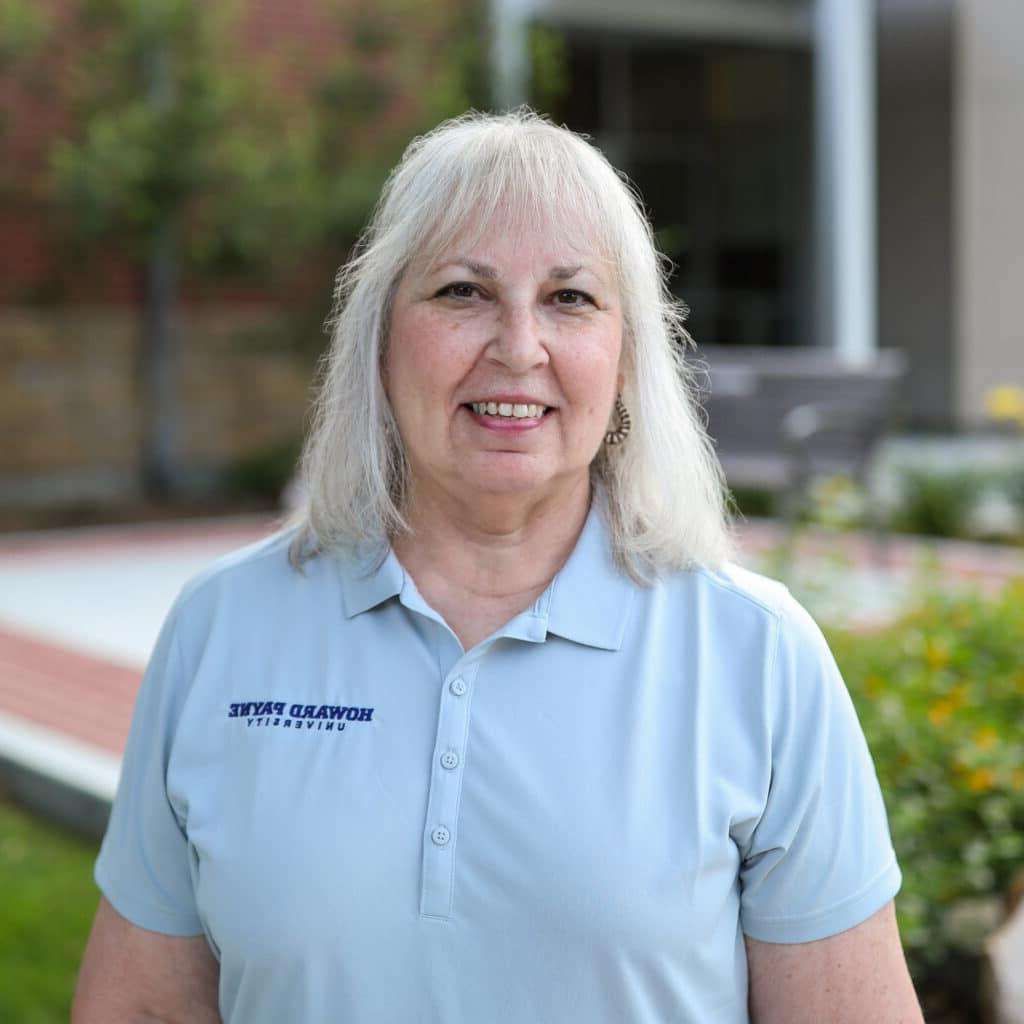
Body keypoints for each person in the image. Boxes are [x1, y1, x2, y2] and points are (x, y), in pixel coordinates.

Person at [73, 109, 923, 1023]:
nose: (519, 347)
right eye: (462, 293)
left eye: (570, 299)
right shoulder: (222, 628)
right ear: (381, 339)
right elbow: (144, 1008)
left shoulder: (759, 657)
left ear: (627, 359)